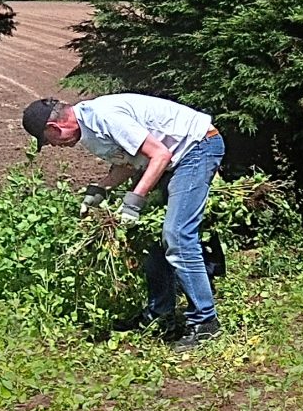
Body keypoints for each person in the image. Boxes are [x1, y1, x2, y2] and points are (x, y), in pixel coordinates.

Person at [23, 93, 226, 346]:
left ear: (55, 127)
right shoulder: (87, 130)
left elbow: (160, 155)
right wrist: (100, 189)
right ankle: (160, 315)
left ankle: (205, 322)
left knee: (177, 234)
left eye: (47, 140)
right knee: (153, 240)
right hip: (174, 158)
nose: (53, 146)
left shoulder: (104, 117)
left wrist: (133, 202)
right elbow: (130, 161)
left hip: (197, 147)